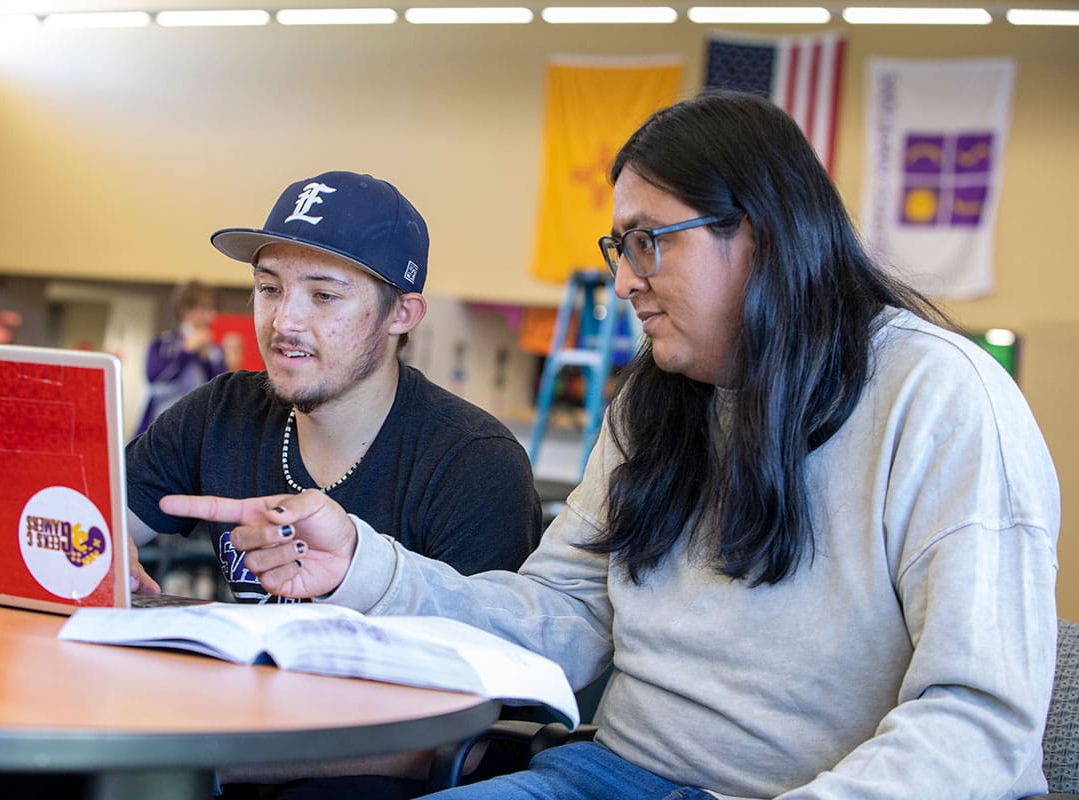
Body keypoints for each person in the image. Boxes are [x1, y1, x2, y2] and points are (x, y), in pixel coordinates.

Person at [162, 92, 1061, 800]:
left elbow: (978, 719)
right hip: (611, 772)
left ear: (758, 232)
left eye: (647, 242)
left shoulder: (939, 398)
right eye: (618, 245)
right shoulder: (655, 401)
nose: (624, 279)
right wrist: (365, 565)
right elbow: (562, 620)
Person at [127, 170, 541, 798]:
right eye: (269, 288)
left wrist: (206, 762)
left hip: (364, 771)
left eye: (324, 295)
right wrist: (96, 545)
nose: (284, 321)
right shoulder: (221, 413)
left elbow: (479, 729)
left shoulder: (473, 464)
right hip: (240, 731)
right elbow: (88, 518)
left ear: (402, 313)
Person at [134, 279, 228, 437]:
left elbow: (221, 393)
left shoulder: (214, 351)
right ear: (185, 309)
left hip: (197, 433)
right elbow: (155, 380)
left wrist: (206, 361)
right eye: (204, 308)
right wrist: (186, 352)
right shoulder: (162, 344)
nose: (210, 317)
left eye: (212, 309)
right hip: (157, 430)